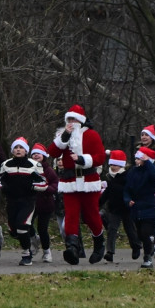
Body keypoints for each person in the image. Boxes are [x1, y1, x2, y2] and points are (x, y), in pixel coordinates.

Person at [47, 104, 106, 265]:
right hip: (69, 181)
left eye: (74, 119)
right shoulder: (62, 136)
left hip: (89, 181)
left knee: (91, 215)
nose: (71, 122)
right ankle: (72, 247)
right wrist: (64, 136)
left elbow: (100, 157)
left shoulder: (92, 135)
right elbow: (52, 152)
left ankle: (99, 243)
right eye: (69, 119)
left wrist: (82, 160)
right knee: (71, 214)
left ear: (80, 120)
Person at [0, 137, 47, 266]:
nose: (18, 150)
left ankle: (26, 254)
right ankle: (32, 236)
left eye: (21, 148)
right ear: (12, 150)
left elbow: (44, 183)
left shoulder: (34, 165)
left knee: (22, 225)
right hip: (12, 200)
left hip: (28, 201)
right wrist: (4, 187)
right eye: (16, 147)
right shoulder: (6, 164)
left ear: (26, 151)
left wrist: (31, 186)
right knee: (13, 230)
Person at [98, 149, 140, 262]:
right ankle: (110, 252)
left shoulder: (127, 176)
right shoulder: (111, 177)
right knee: (112, 229)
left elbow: (132, 190)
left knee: (130, 229)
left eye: (116, 165)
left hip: (126, 207)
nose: (113, 167)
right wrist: (99, 203)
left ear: (121, 165)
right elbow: (107, 193)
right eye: (111, 164)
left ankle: (136, 246)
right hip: (113, 208)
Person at [124, 147, 155, 268]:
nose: (136, 160)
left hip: (148, 205)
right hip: (136, 207)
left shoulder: (150, 171)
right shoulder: (133, 171)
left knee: (145, 232)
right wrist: (128, 200)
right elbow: (127, 188)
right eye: (136, 158)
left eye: (139, 158)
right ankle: (153, 238)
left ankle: (147, 257)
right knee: (139, 234)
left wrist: (148, 162)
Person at [30, 143, 59, 263]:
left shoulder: (48, 170)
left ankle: (47, 252)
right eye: (34, 153)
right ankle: (34, 240)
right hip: (31, 203)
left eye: (39, 153)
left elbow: (55, 185)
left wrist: (46, 189)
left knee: (42, 229)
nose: (36, 155)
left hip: (46, 203)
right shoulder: (28, 168)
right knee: (26, 225)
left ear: (44, 156)